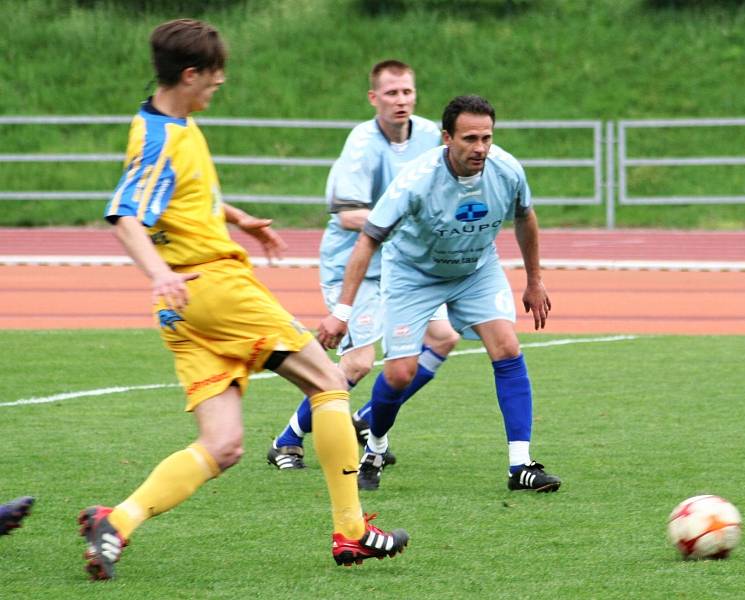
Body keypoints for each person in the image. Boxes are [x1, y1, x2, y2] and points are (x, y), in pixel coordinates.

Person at [78, 19, 408, 581]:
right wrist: (158, 271)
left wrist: (237, 219)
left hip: (185, 312)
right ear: (189, 74)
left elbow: (184, 198)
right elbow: (126, 214)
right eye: (213, 75)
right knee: (329, 380)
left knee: (223, 444)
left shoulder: (173, 124)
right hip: (212, 288)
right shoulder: (160, 137)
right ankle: (351, 531)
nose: (220, 82)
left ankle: (118, 522)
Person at [318, 95, 562, 493]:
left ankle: (521, 465)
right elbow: (367, 240)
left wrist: (534, 280)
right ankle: (375, 447)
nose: (480, 148)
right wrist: (342, 311)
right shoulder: (416, 180)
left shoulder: (506, 170)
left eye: (486, 138)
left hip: (475, 269)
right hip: (413, 275)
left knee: (507, 347)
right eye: (470, 138)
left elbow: (525, 217)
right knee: (399, 374)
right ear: (447, 138)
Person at [267, 60, 460, 475]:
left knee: (443, 338)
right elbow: (348, 214)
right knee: (356, 363)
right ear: (374, 98)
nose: (401, 100)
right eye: (391, 93)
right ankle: (287, 438)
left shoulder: (430, 135)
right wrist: (409, 220)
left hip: (404, 264)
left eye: (407, 92)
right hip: (355, 266)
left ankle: (370, 416)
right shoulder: (361, 143)